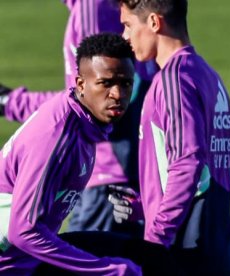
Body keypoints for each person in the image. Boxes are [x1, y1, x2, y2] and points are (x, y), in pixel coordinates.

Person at [108, 0, 230, 275]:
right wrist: (146, 205)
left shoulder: (174, 79)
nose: (124, 36)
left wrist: (156, 240)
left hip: (185, 252)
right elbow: (203, 171)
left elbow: (187, 163)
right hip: (217, 241)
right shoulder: (206, 74)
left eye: (128, 25)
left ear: (155, 23)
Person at [0, 0, 156, 234]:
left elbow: (88, 101)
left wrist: (10, 103)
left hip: (107, 170)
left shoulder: (92, 8)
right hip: (112, 167)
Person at [0, 32, 142, 275]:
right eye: (106, 83)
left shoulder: (83, 122)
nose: (117, 95)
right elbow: (23, 231)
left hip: (24, 262)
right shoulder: (57, 139)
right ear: (80, 84)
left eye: (125, 83)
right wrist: (107, 270)